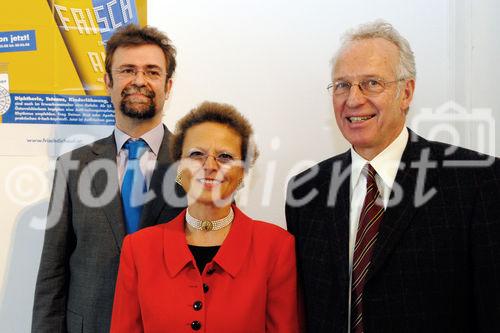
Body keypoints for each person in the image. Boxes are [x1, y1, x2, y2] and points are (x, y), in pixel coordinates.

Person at [286, 20, 500, 333]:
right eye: (342, 85)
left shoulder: (476, 181)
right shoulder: (306, 191)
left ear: (406, 92)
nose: (354, 99)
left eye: (372, 83)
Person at [32, 25, 185, 333]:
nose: (139, 81)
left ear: (168, 86)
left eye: (152, 72)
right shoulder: (72, 166)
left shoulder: (195, 165)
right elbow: (52, 272)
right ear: (107, 83)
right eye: (128, 70)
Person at [110, 101, 300, 333]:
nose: (210, 166)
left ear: (243, 172)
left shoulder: (276, 247)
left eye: (225, 157)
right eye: (197, 154)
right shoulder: (138, 250)